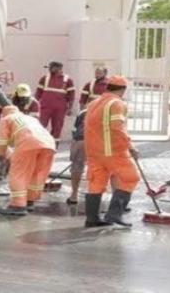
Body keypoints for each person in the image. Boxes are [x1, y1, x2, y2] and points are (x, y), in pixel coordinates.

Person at [83, 75, 140, 227]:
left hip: (93, 151)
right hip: (112, 151)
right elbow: (117, 127)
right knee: (131, 177)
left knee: (96, 183)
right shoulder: (116, 103)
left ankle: (92, 218)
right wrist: (131, 146)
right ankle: (114, 215)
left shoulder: (94, 103)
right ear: (122, 89)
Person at [0, 105, 57, 216]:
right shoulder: (30, 118)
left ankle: (18, 205)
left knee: (18, 174)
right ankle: (30, 201)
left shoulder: (6, 119)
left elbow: (2, 141)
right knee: (37, 173)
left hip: (28, 143)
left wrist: (1, 155)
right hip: (49, 144)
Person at [35, 61, 75, 141]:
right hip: (45, 107)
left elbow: (71, 95)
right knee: (40, 126)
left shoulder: (68, 80)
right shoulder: (44, 78)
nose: (49, 69)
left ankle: (54, 146)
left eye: (51, 67)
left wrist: (70, 108)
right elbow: (38, 94)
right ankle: (39, 143)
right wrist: (35, 106)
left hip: (60, 109)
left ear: (58, 68)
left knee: (57, 128)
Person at [66, 109, 87, 205]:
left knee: (77, 166)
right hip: (102, 142)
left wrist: (73, 150)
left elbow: (76, 132)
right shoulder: (113, 108)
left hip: (83, 140)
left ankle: (74, 195)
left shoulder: (84, 112)